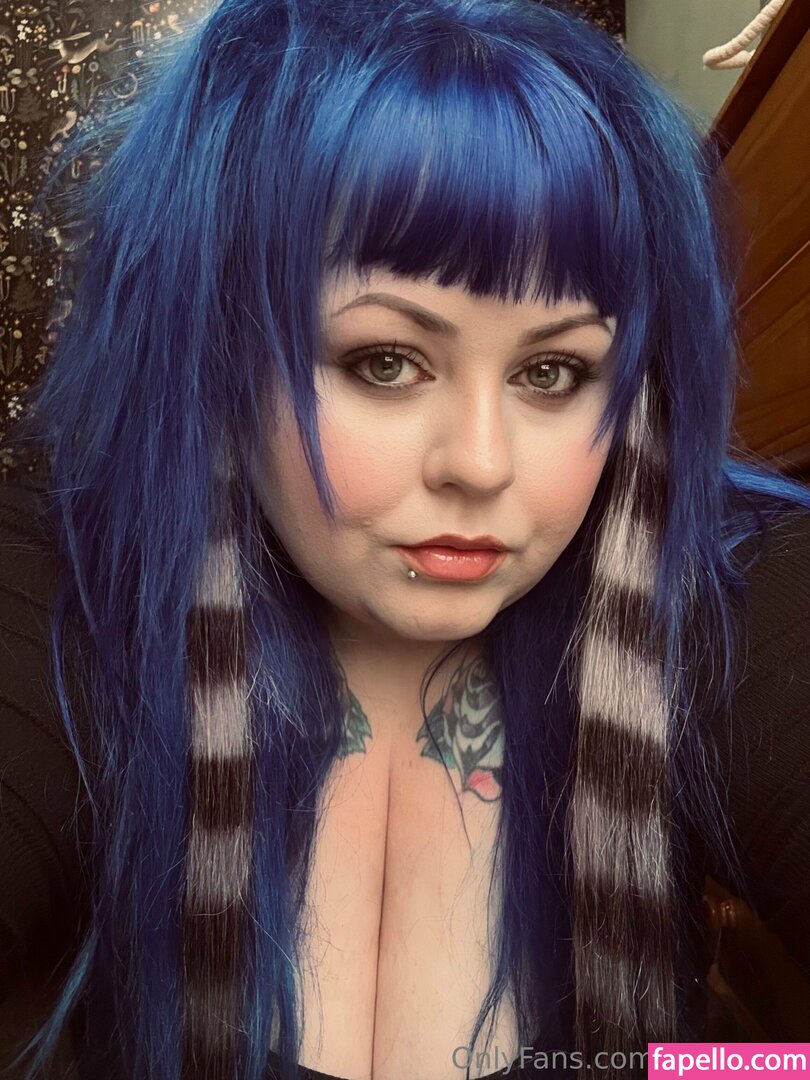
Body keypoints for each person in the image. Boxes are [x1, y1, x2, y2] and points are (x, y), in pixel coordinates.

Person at [1, 0, 809, 1078]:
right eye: (385, 361)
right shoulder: (73, 593)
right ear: (218, 359)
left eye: (552, 371)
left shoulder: (715, 596)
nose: (479, 464)